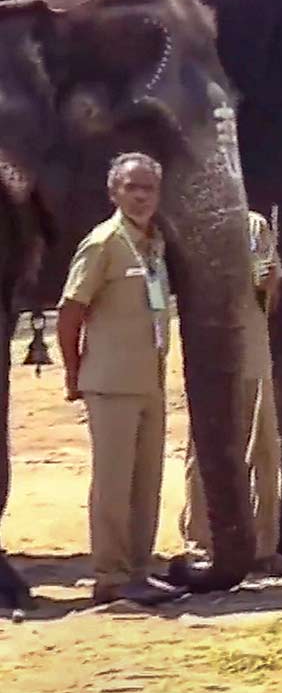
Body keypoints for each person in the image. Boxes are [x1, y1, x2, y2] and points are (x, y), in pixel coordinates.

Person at [57, 153, 183, 606]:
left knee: (146, 481)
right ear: (114, 192)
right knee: (113, 484)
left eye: (149, 188)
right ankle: (110, 576)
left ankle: (139, 570)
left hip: (149, 380)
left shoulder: (155, 243)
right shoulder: (103, 243)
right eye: (133, 187)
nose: (142, 196)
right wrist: (74, 371)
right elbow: (71, 312)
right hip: (110, 382)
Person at [179, 209, 282, 575]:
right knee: (206, 448)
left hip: (253, 348)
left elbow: (270, 301)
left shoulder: (254, 225)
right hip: (210, 352)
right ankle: (201, 542)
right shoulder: (195, 223)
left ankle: (263, 547)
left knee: (264, 449)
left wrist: (270, 283)